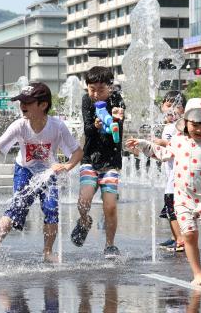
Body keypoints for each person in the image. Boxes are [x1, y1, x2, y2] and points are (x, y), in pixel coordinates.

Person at [126, 98, 201, 285]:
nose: (199, 129)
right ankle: (197, 273)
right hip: (182, 199)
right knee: (189, 235)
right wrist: (142, 144)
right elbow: (160, 153)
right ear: (185, 123)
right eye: (194, 124)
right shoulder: (178, 140)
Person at [0, 82, 83, 264]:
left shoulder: (57, 126)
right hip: (25, 170)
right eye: (21, 102)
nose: (22, 106)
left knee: (52, 209)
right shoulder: (19, 126)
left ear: (43, 105)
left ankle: (47, 252)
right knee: (16, 207)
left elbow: (77, 151)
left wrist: (67, 166)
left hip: (48, 172)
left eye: (27, 102)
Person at [70, 66, 125, 259]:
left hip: (111, 161)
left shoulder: (117, 99)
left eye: (100, 90)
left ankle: (110, 245)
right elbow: (87, 129)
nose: (95, 94)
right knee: (83, 200)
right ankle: (85, 221)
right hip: (90, 159)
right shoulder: (87, 100)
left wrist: (117, 120)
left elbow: (118, 130)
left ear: (110, 87)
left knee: (109, 205)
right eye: (91, 89)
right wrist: (94, 125)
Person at [154, 91, 186, 252]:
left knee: (171, 205)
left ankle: (181, 240)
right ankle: (175, 237)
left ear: (184, 110)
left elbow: (180, 143)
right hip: (171, 172)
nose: (172, 109)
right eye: (168, 105)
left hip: (179, 174)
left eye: (177, 106)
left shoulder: (180, 126)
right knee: (169, 207)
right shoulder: (168, 125)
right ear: (162, 107)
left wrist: (162, 142)